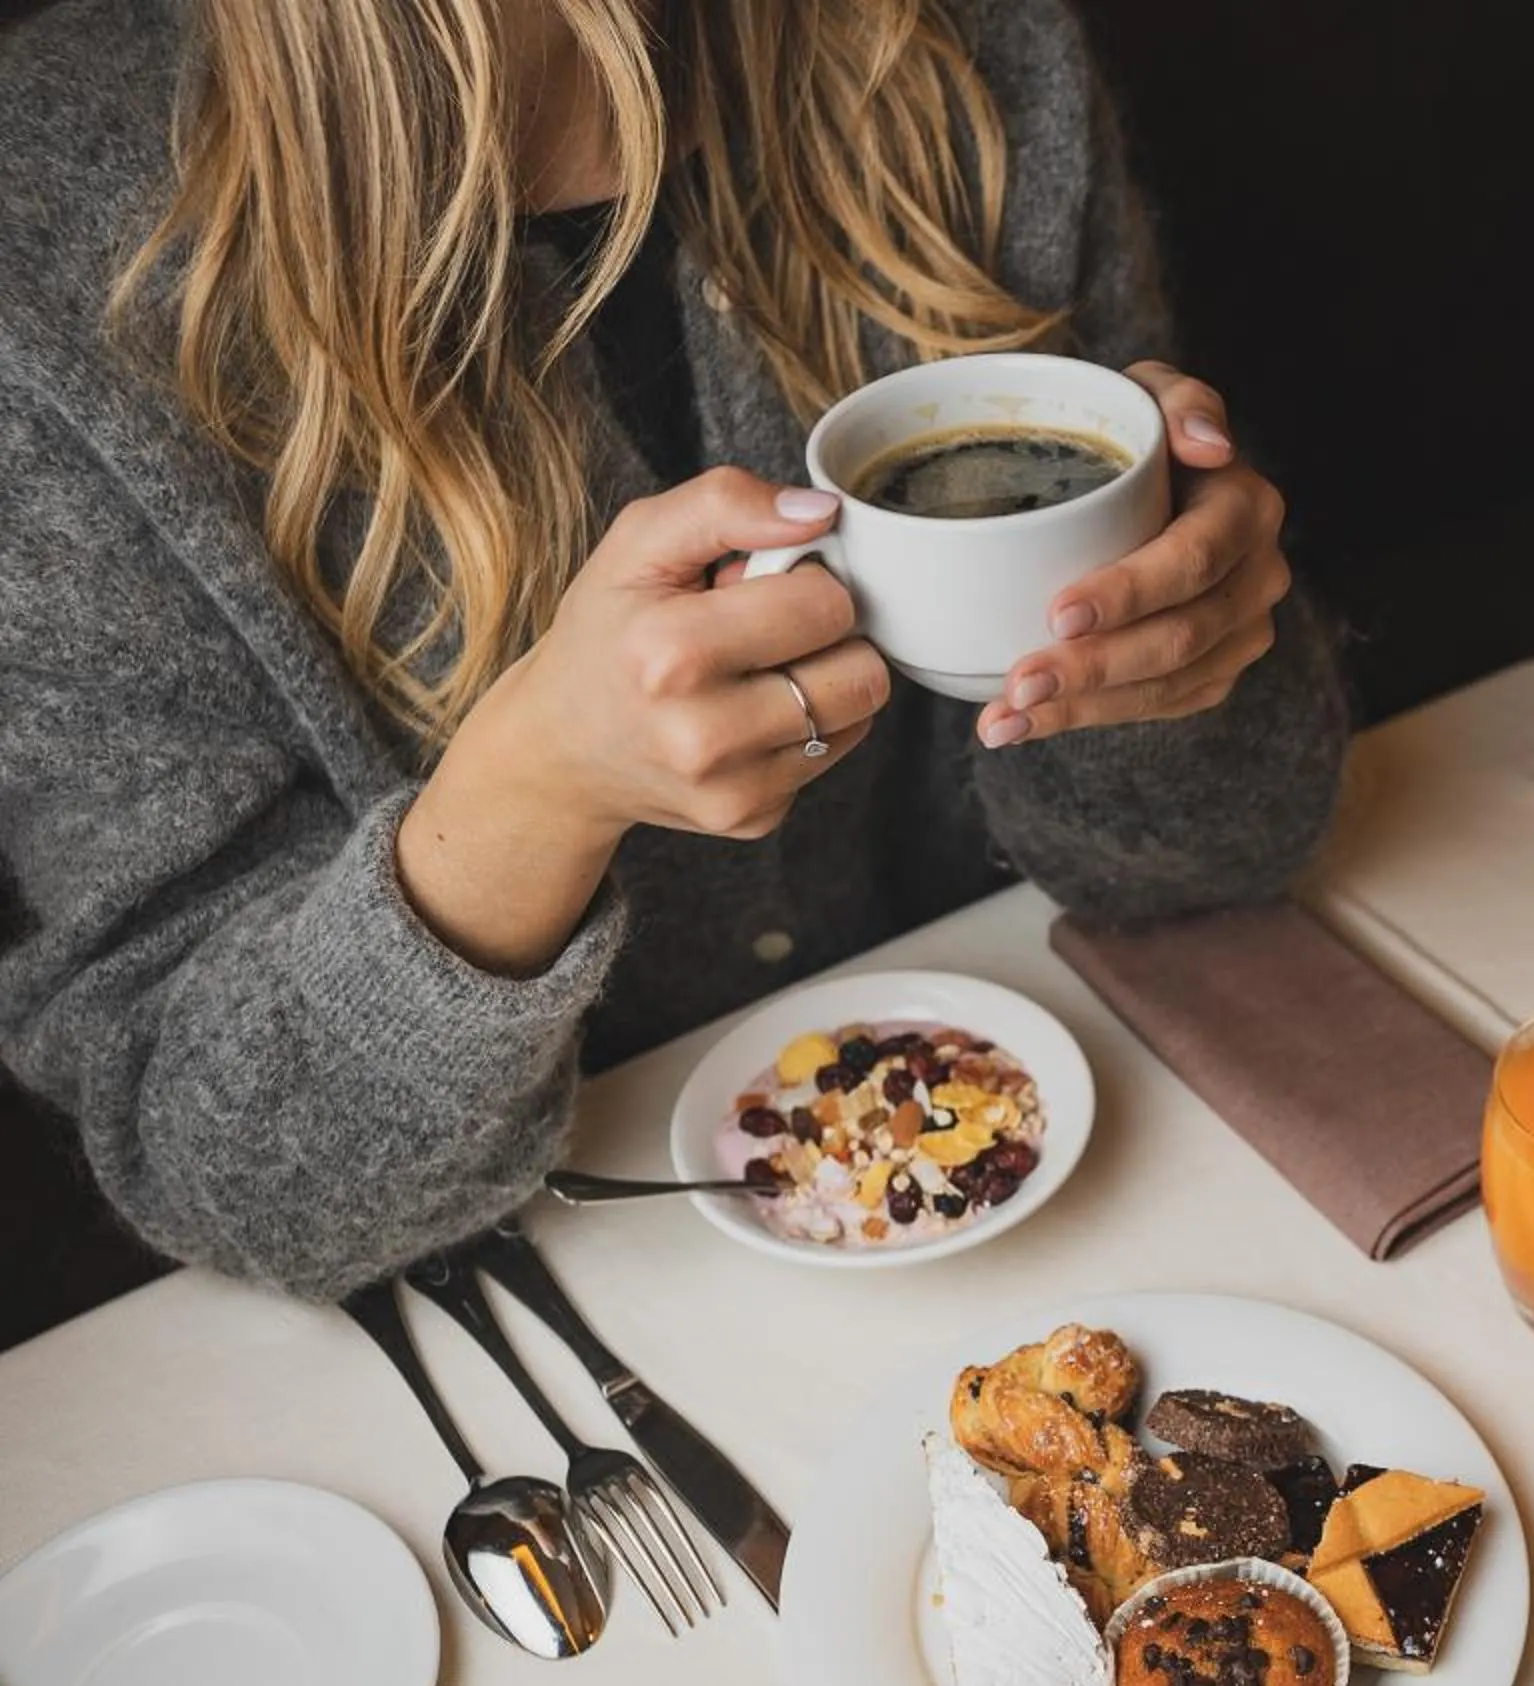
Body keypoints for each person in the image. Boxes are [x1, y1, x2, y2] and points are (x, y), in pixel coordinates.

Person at [0, 0, 1345, 1300]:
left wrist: (1178, 661)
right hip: (544, 1294)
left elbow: (1221, 860)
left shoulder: (956, 50)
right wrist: (528, 801)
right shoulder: (50, 219)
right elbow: (230, 1173)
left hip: (1079, 1165)